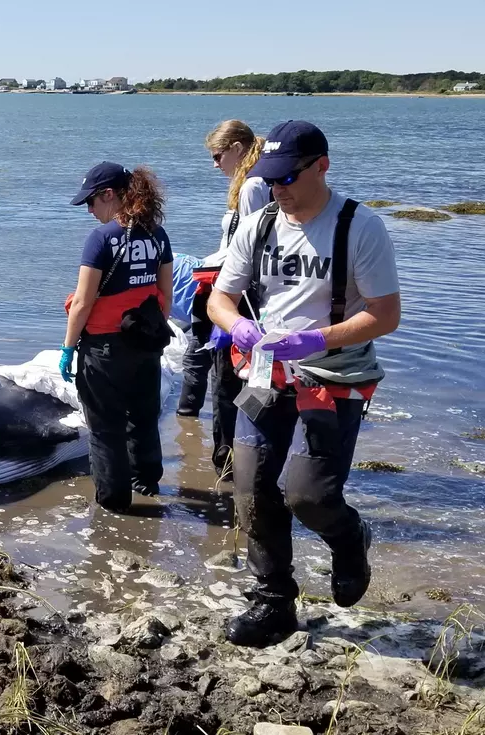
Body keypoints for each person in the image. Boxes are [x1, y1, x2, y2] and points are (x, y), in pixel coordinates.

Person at [207, 120, 401, 647]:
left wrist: (317, 340)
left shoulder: (360, 227)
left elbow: (385, 315)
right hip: (266, 375)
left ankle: (347, 535)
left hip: (334, 376)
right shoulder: (260, 224)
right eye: (271, 179)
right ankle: (273, 600)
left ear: (322, 166)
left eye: (290, 177)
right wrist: (238, 326)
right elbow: (218, 300)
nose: (279, 189)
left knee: (307, 495)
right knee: (250, 490)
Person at [61, 162, 174, 512]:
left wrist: (67, 348)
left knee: (105, 427)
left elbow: (82, 302)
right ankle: (147, 481)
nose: (91, 211)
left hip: (104, 348)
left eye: (92, 202)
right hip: (145, 343)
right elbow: (165, 295)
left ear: (109, 195)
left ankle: (113, 502)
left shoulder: (102, 238)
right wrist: (149, 333)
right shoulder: (157, 234)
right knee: (142, 416)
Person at [180, 120, 272, 485]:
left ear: (237, 148)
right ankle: (247, 456)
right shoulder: (257, 181)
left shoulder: (252, 186)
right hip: (248, 297)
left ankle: (229, 466)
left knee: (227, 383)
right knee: (249, 379)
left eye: (218, 156)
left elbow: (247, 251)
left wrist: (212, 271)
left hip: (238, 299)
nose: (215, 164)